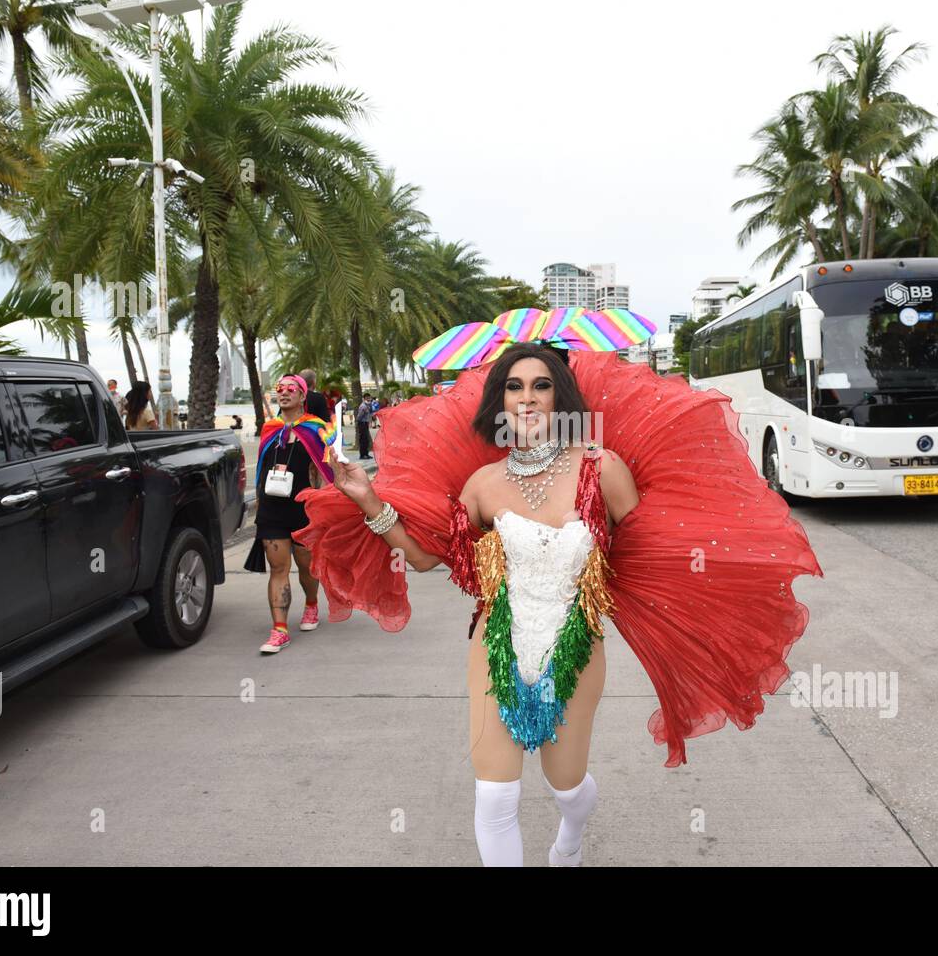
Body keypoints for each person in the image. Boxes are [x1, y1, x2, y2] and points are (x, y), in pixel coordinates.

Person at [295, 341, 821, 867]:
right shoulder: (482, 485)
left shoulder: (602, 469)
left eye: (541, 386)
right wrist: (368, 500)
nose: (527, 399)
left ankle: (570, 835)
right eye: (514, 387)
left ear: (561, 399)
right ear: (499, 403)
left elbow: (648, 555)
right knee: (496, 795)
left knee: (565, 785)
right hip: (495, 646)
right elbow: (428, 559)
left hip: (577, 651)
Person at [243, 374, 340, 652]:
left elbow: (325, 470)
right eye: (279, 389)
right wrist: (259, 502)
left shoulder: (315, 428)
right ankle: (280, 629)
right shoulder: (269, 428)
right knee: (278, 568)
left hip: (304, 506)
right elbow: (262, 469)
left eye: (290, 389)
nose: (283, 393)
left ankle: (311, 604)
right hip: (272, 508)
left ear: (302, 396)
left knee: (307, 566)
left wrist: (324, 502)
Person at [355, 394, 374, 459]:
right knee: (363, 440)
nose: (369, 399)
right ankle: (362, 455)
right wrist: (359, 422)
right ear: (364, 398)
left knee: (366, 440)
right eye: (367, 398)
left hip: (365, 423)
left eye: (369, 398)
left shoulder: (368, 406)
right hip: (362, 424)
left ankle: (366, 453)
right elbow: (359, 417)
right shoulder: (363, 406)